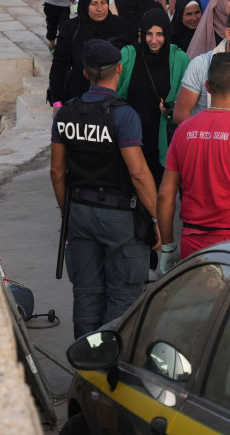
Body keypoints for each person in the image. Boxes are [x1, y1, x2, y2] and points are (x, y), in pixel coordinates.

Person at [50, 38, 160, 338]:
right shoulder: (124, 115)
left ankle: (86, 371)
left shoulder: (65, 114)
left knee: (86, 295)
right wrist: (158, 219)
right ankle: (111, 370)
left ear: (85, 74)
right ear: (120, 71)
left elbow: (57, 171)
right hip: (119, 217)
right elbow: (138, 173)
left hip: (80, 212)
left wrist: (67, 215)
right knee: (123, 301)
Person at [157, 52, 230, 263]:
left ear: (207, 87)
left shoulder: (184, 130)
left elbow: (165, 195)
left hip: (192, 243)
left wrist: (167, 246)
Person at [116, 8, 188, 185]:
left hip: (162, 137)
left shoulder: (180, 59)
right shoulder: (127, 55)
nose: (154, 41)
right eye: (149, 34)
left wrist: (170, 108)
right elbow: (113, 92)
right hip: (131, 134)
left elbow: (188, 99)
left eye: (159, 34)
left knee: (158, 188)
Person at [49, 0, 133, 105]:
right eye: (94, 4)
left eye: (103, 3)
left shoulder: (121, 27)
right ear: (85, 5)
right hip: (78, 99)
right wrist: (57, 103)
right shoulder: (70, 29)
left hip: (113, 102)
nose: (100, 9)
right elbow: (58, 67)